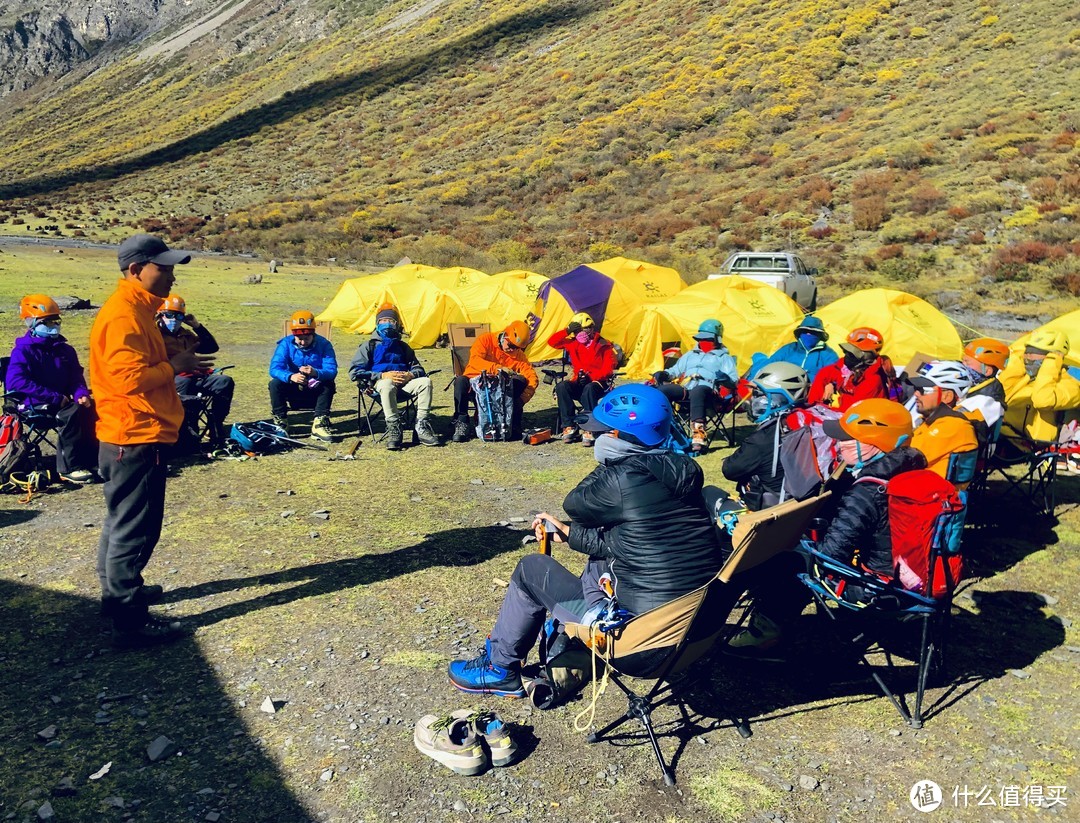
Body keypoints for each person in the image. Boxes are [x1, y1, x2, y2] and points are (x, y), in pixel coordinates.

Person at [446, 385, 725, 697]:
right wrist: (568, 534)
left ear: (622, 436)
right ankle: (561, 640)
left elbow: (575, 503)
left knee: (531, 569)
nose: (598, 437)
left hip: (639, 645)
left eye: (606, 431)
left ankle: (499, 668)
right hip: (696, 633)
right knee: (601, 561)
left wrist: (611, 460)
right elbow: (630, 543)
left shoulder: (621, 478)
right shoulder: (685, 469)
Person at [727, 398, 928, 653]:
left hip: (878, 588)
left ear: (876, 443)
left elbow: (831, 555)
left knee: (789, 560)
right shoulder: (914, 469)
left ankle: (765, 632)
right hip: (917, 581)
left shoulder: (868, 490)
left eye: (847, 437)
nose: (839, 443)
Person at [91, 233, 212, 648]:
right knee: (136, 526)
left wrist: (175, 359)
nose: (171, 276)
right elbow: (128, 380)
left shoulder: (139, 308)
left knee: (122, 519)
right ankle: (129, 621)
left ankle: (117, 595)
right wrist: (174, 365)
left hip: (129, 432)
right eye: (163, 268)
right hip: (135, 433)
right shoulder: (124, 314)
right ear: (135, 270)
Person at [6, 294, 98, 483]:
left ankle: (92, 460)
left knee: (90, 407)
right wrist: (54, 397)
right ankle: (69, 467)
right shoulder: (23, 351)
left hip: (63, 402)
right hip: (32, 404)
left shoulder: (66, 350)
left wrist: (81, 393)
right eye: (47, 321)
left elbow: (76, 377)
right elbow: (15, 382)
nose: (54, 325)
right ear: (31, 323)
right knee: (72, 412)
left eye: (56, 320)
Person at [720, 362, 811, 511]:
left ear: (778, 398)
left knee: (710, 494)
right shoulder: (810, 423)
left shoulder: (764, 437)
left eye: (759, 394)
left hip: (773, 514)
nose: (753, 399)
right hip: (808, 509)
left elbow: (730, 469)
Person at [348, 303, 440, 450]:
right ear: (377, 324)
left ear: (397, 325)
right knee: (386, 384)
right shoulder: (368, 346)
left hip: (404, 385)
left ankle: (421, 426)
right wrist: (382, 375)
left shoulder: (404, 347)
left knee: (425, 382)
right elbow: (355, 372)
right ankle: (394, 428)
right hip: (379, 386)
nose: (387, 324)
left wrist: (410, 375)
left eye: (391, 321)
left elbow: (418, 369)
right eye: (383, 321)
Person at [156, 293, 234, 447]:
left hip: (194, 375)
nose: (174, 320)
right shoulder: (153, 335)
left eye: (179, 317)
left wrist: (197, 326)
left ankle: (216, 423)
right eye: (169, 315)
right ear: (159, 315)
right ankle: (187, 429)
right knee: (183, 382)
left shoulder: (185, 334)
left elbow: (211, 347)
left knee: (224, 382)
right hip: (169, 378)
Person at [652, 319, 738, 452]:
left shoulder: (724, 358)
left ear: (717, 339)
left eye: (708, 339)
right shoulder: (689, 355)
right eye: (701, 339)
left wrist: (725, 379)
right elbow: (675, 371)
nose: (704, 342)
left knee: (699, 391)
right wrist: (664, 374)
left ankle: (698, 436)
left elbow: (733, 381)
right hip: (687, 388)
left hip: (709, 393)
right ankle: (664, 429)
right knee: (663, 390)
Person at [451, 320, 537, 442]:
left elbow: (532, 377)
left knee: (521, 380)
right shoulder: (485, 340)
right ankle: (462, 423)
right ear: (505, 335)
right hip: (476, 384)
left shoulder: (518, 355)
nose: (512, 350)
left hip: (500, 393)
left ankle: (512, 421)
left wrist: (522, 399)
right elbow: (475, 361)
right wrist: (498, 369)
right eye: (511, 345)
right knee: (460, 382)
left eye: (517, 348)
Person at [548, 312, 618, 445]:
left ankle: (591, 427)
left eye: (584, 329)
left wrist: (591, 377)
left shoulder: (604, 344)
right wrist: (567, 330)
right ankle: (569, 426)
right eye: (577, 331)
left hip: (598, 383)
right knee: (562, 387)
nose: (581, 333)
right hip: (579, 381)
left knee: (589, 388)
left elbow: (608, 368)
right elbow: (552, 342)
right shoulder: (573, 343)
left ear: (592, 328)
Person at [999, 329, 1080, 444]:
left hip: (1034, 446)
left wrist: (1051, 362)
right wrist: (1017, 355)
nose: (1027, 357)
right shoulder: (1026, 377)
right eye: (1026, 352)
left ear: (1051, 356)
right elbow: (1001, 393)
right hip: (1007, 435)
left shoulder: (1071, 383)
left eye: (1032, 353)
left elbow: (1042, 400)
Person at [269, 310, 338, 442]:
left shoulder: (324, 345)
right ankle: (281, 421)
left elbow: (332, 370)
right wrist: (290, 376)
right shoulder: (285, 344)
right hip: (292, 388)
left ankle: (319, 424)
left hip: (314, 387)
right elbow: (274, 368)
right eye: (299, 339)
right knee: (275, 384)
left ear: (313, 334)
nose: (302, 342)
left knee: (329, 384)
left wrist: (316, 373)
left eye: (306, 338)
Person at [908, 361, 979, 484]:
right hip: (921, 491)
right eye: (915, 389)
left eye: (922, 389)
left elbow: (907, 457)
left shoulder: (954, 425)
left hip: (931, 498)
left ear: (947, 396)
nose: (916, 393)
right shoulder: (932, 420)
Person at [807, 326, 894, 411]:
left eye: (852, 353)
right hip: (843, 413)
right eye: (846, 351)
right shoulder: (846, 367)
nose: (847, 356)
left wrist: (825, 411)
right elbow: (826, 374)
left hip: (856, 419)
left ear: (867, 356)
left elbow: (851, 412)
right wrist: (814, 408)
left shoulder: (872, 380)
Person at [957, 337, 1010, 448]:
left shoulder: (989, 398)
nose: (963, 365)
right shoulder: (976, 387)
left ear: (987, 370)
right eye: (962, 360)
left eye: (967, 362)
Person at [753, 315, 838, 382]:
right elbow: (770, 363)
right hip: (782, 389)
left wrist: (830, 384)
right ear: (800, 333)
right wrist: (755, 379)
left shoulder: (828, 354)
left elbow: (835, 374)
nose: (808, 334)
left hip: (811, 394)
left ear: (820, 335)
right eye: (805, 331)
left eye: (813, 332)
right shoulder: (789, 349)